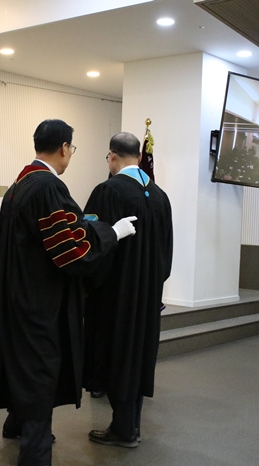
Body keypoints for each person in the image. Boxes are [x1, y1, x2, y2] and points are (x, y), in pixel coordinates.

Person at [0, 119, 138, 466]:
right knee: (40, 371)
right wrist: (112, 233)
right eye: (72, 147)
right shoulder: (47, 187)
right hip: (40, 300)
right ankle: (35, 455)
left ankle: (15, 424)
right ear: (64, 148)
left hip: (16, 294)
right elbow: (71, 250)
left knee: (22, 363)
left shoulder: (19, 184)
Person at [83, 132, 173, 448]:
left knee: (115, 354)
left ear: (112, 156)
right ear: (139, 157)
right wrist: (152, 285)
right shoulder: (160, 196)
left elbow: (91, 242)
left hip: (114, 296)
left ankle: (123, 429)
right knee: (138, 356)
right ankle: (131, 425)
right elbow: (166, 253)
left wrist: (88, 286)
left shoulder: (108, 190)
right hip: (148, 297)